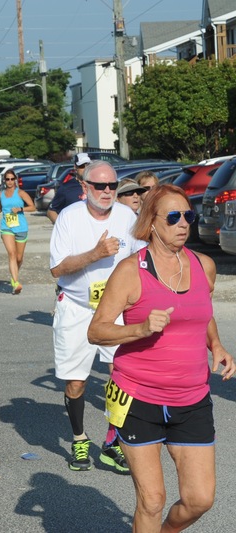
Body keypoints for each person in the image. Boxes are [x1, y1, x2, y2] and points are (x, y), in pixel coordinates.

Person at [88, 184, 234, 532]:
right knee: (152, 500)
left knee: (200, 498)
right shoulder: (130, 271)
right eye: (173, 217)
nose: (183, 223)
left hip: (192, 397)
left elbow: (201, 311)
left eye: (188, 215)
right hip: (138, 397)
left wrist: (216, 345)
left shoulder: (204, 265)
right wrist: (139, 329)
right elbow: (97, 331)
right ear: (151, 223)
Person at [50, 160, 144, 473]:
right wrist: (95, 254)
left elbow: (141, 260)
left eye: (112, 186)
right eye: (99, 186)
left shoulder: (126, 215)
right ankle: (78, 439)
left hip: (116, 310)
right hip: (76, 307)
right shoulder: (69, 217)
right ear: (85, 187)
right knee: (76, 383)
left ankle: (112, 443)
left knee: (123, 376)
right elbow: (57, 269)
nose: (106, 192)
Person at [0, 168, 36, 294]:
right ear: (4, 180)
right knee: (11, 254)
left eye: (12, 179)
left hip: (21, 227)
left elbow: (33, 207)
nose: (10, 181)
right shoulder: (0, 195)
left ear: (15, 180)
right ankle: (16, 282)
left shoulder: (21, 193)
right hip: (6, 227)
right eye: (7, 179)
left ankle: (14, 275)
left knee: (18, 258)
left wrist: (21, 209)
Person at [47, 153, 90, 224]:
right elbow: (51, 211)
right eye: (82, 166)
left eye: (88, 165)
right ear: (75, 167)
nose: (85, 168)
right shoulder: (66, 188)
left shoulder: (99, 184)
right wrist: (61, 227)